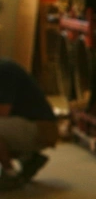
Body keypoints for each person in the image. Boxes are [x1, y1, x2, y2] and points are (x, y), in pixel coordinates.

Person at [0, 58, 57, 189]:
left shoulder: (4, 71)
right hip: (27, 126)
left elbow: (3, 111)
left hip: (42, 129)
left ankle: (10, 174)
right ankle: (28, 159)